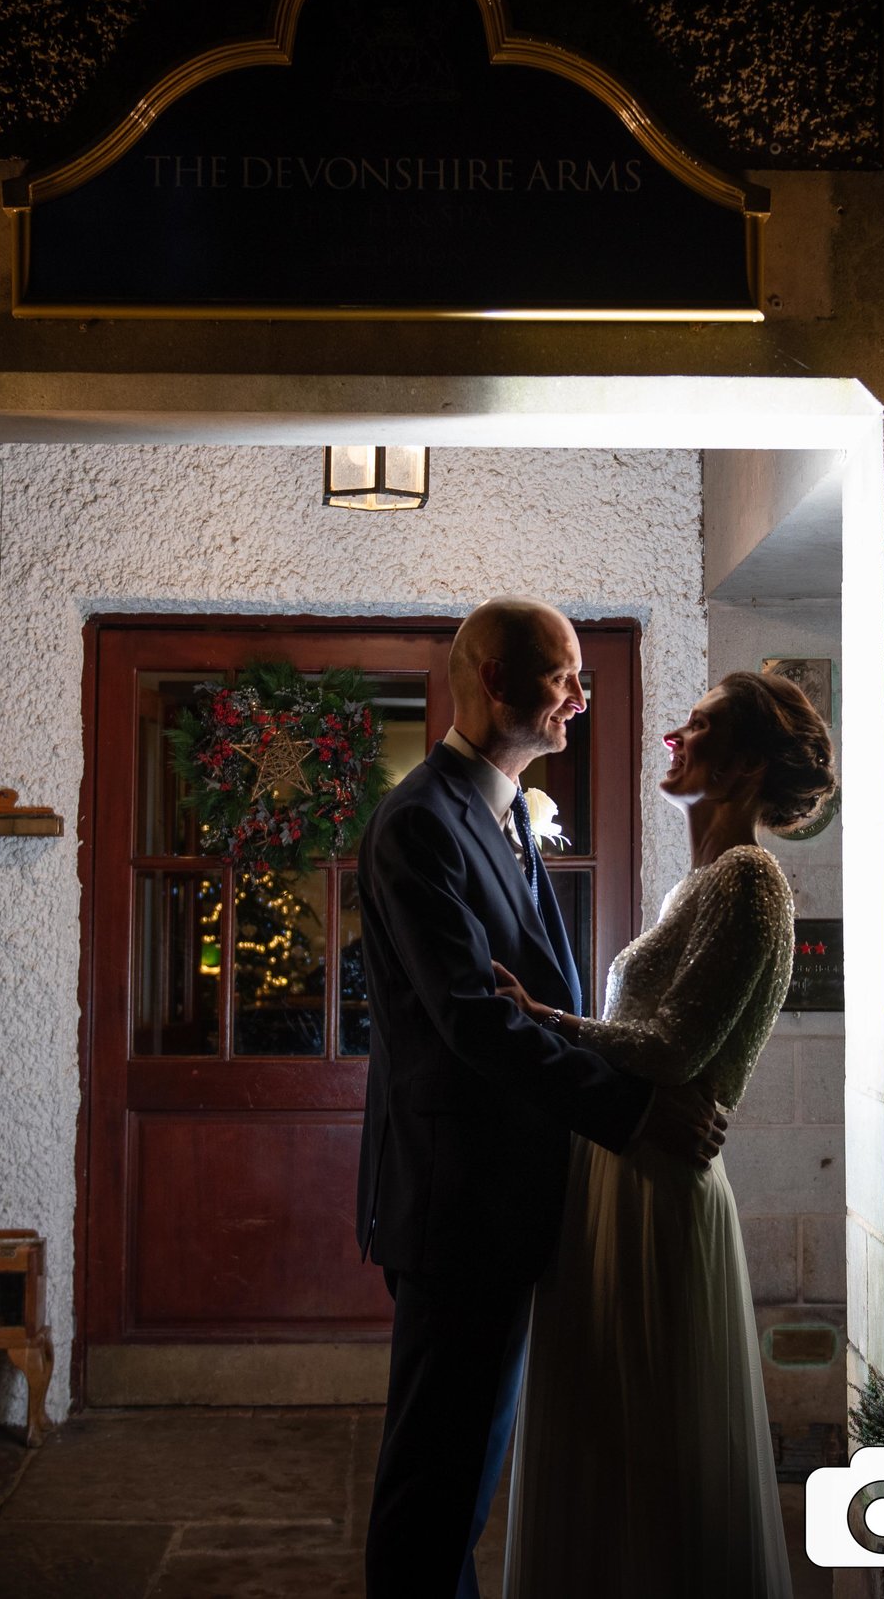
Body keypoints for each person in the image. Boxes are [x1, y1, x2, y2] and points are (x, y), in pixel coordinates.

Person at [356, 598, 729, 1598]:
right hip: (457, 1204)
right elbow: (474, 1021)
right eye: (562, 677)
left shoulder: (506, 814)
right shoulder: (420, 824)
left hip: (508, 1197)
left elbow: (539, 1003)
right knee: (435, 1490)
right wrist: (636, 1112)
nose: (579, 696)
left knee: (465, 1479)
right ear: (492, 682)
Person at [497, 669, 836, 1598]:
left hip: (656, 1186)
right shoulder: (699, 885)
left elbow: (672, 1047)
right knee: (611, 1435)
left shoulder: (751, 880)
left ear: (747, 766)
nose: (671, 737)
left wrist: (543, 1019)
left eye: (700, 725)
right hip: (620, 1172)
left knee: (650, 1442)